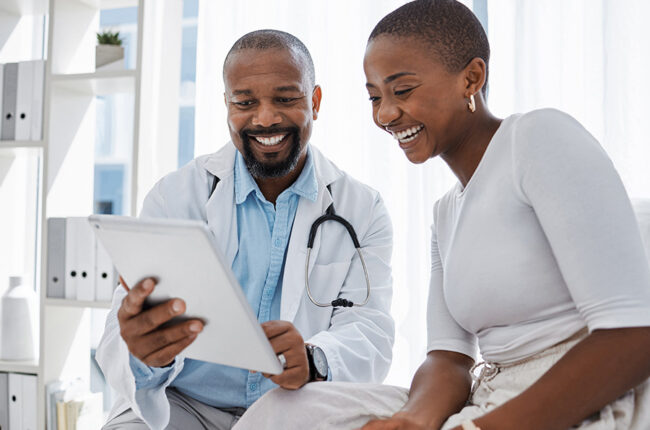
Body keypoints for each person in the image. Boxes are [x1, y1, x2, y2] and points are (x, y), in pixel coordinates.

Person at [233, 1, 650, 429]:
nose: (385, 114)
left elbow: (633, 337)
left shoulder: (538, 139)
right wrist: (414, 420)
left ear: (471, 77)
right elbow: (449, 357)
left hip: (578, 399)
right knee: (282, 412)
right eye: (375, 96)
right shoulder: (447, 212)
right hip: (490, 396)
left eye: (403, 90)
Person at [96, 29, 396, 430]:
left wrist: (313, 359)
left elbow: (370, 327)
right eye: (245, 102)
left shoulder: (362, 208)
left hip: (293, 409)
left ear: (315, 101)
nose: (266, 117)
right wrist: (146, 352)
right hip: (182, 404)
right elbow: (125, 329)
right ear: (226, 105)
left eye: (286, 99)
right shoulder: (175, 197)